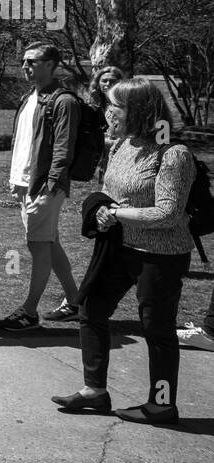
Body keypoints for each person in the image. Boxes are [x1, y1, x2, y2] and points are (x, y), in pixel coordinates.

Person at [52, 78, 195, 425]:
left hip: (160, 255)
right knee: (91, 308)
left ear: (140, 110)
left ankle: (162, 404)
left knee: (157, 329)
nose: (108, 112)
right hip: (119, 246)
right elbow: (107, 191)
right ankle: (94, 391)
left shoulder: (173, 154)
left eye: (114, 106)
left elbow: (168, 213)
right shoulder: (121, 145)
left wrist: (116, 213)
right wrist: (102, 210)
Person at [0, 42, 83, 331]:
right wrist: (15, 180)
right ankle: (76, 302)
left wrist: (50, 187)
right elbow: (22, 144)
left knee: (38, 245)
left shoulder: (64, 101)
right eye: (23, 61)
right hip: (26, 184)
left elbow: (63, 149)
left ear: (50, 64)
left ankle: (30, 311)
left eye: (31, 61)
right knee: (49, 243)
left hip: (44, 186)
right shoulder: (30, 97)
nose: (25, 67)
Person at [86, 66, 125, 182]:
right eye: (104, 80)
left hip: (121, 158)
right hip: (102, 160)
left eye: (113, 81)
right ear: (98, 83)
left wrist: (104, 141)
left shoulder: (124, 105)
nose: (108, 84)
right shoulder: (97, 103)